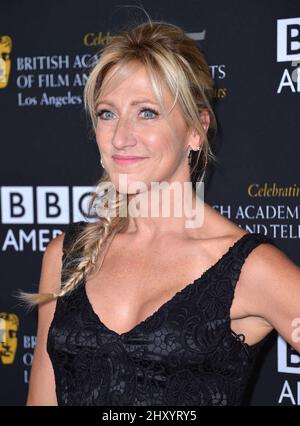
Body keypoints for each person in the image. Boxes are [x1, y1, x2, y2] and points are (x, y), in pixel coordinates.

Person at [21, 18, 300, 406]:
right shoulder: (67, 257)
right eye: (107, 113)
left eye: (147, 112)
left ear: (196, 131)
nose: (121, 137)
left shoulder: (250, 269)